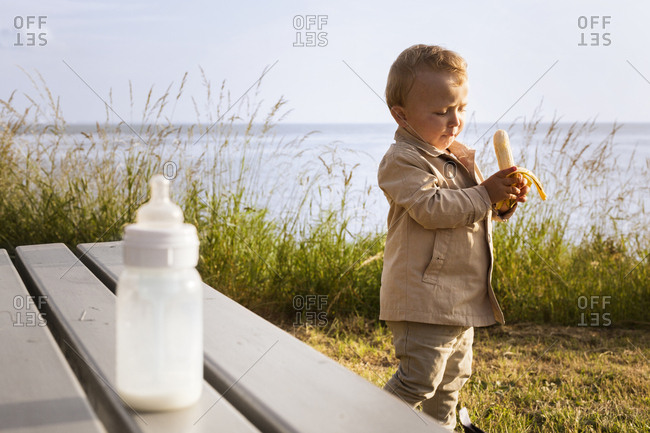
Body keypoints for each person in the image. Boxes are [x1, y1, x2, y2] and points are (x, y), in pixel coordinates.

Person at [378, 44, 530, 431]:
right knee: (419, 379)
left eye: (461, 108)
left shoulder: (458, 155)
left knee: (451, 383)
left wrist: (500, 203)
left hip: (460, 297)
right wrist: (485, 194)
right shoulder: (403, 160)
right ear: (402, 116)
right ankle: (368, 422)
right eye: (441, 111)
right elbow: (432, 209)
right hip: (423, 297)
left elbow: (470, 210)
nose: (455, 120)